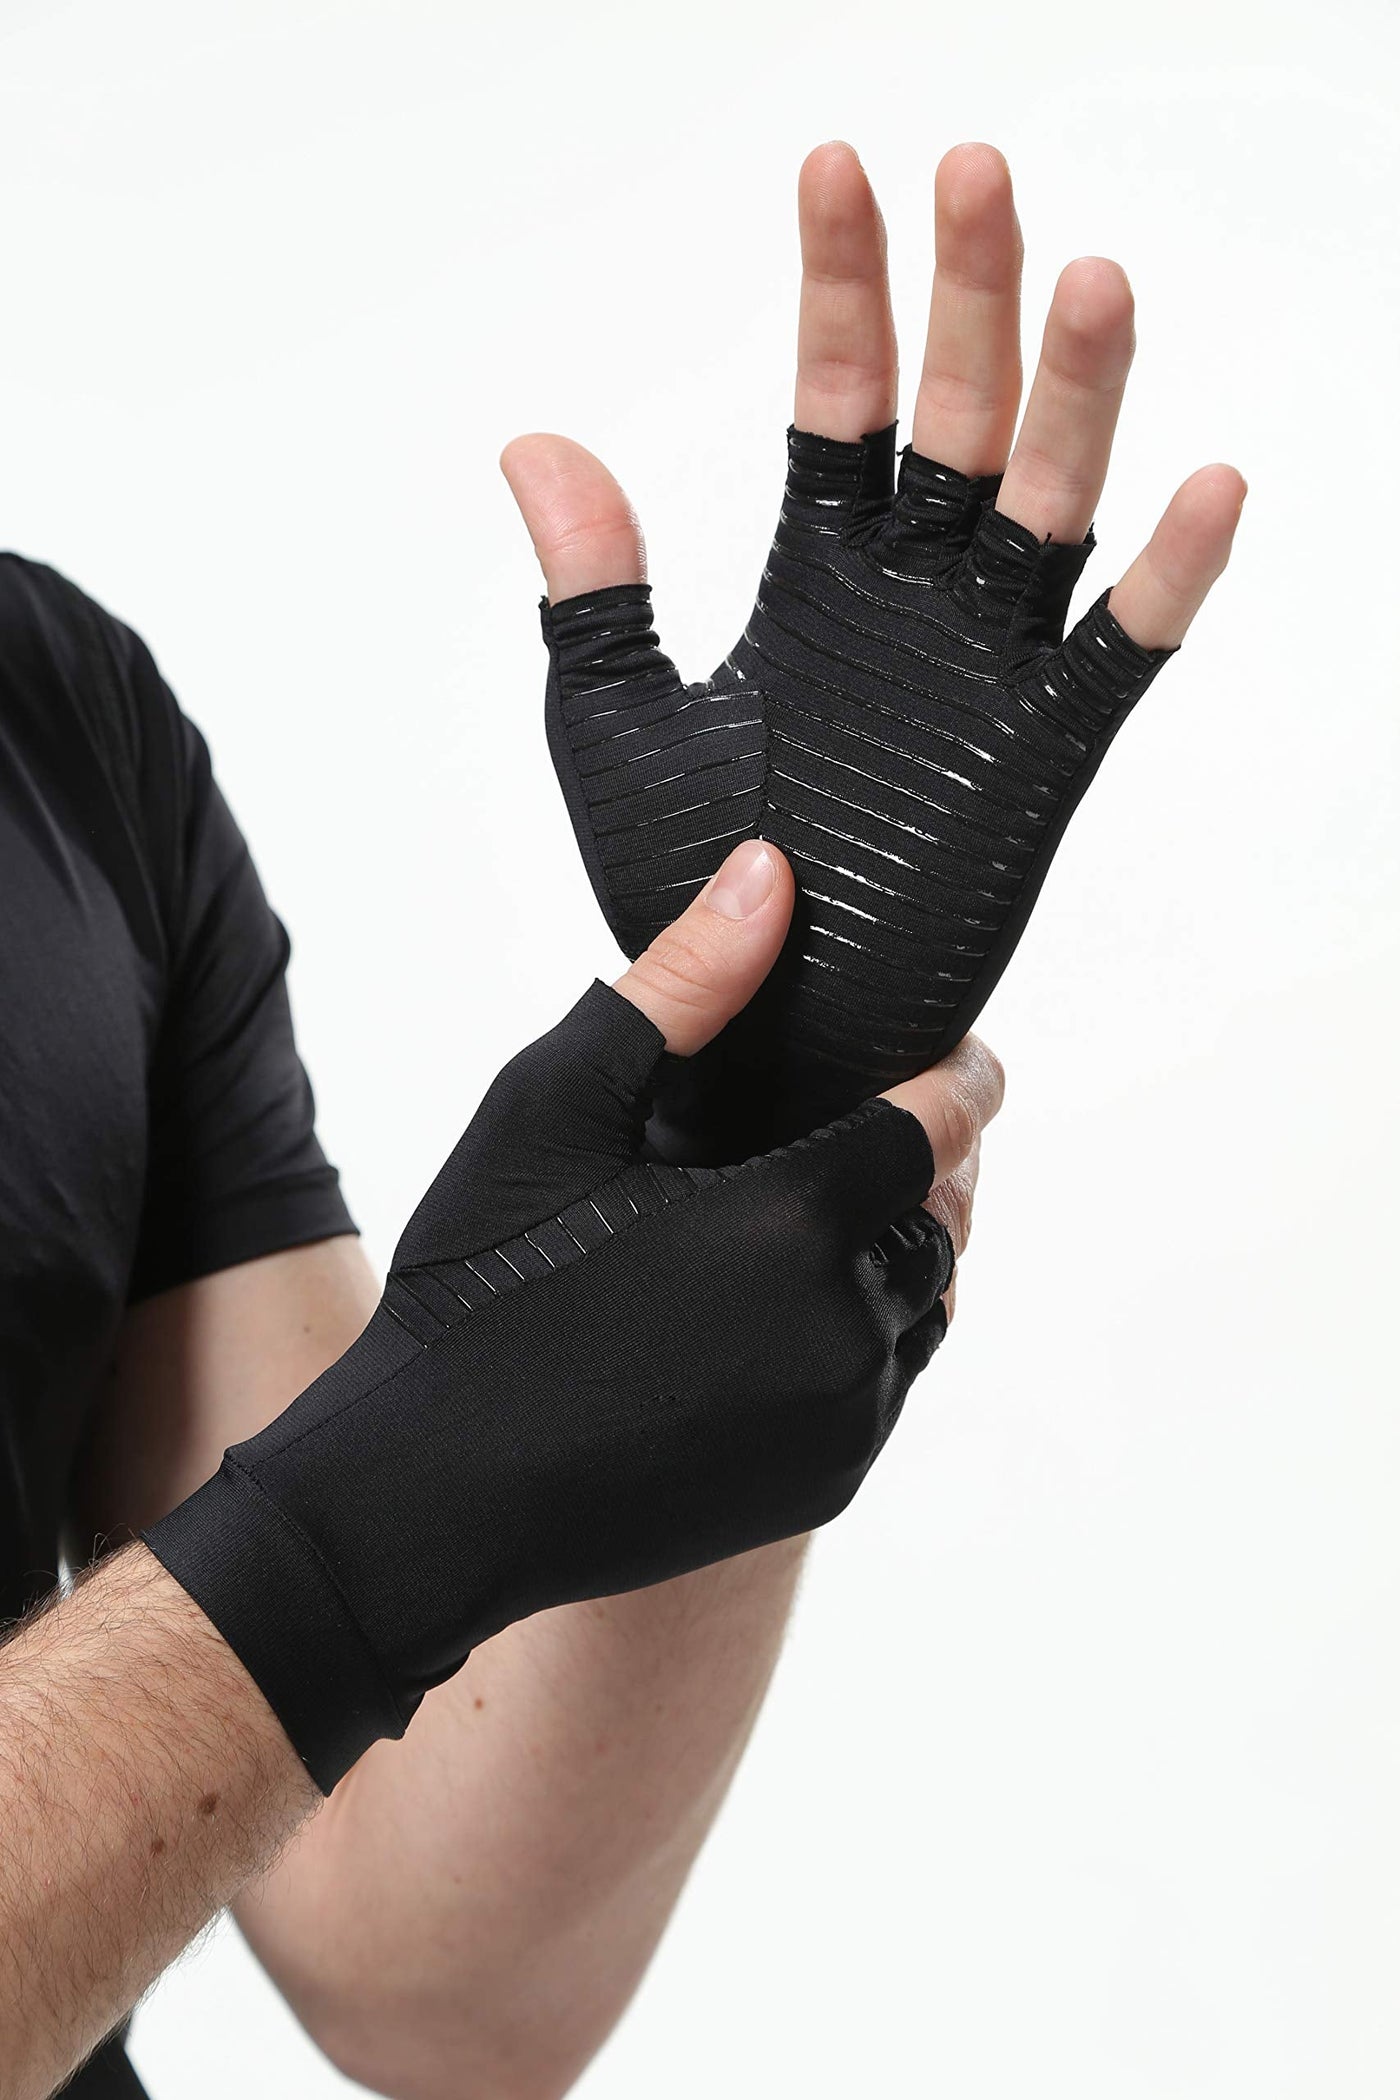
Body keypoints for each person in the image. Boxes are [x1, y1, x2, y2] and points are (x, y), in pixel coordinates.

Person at [0, 141, 1240, 2100]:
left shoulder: (54, 720)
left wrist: (743, 1145)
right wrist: (391, 1497)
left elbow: (429, 1971)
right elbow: (324, 1578)